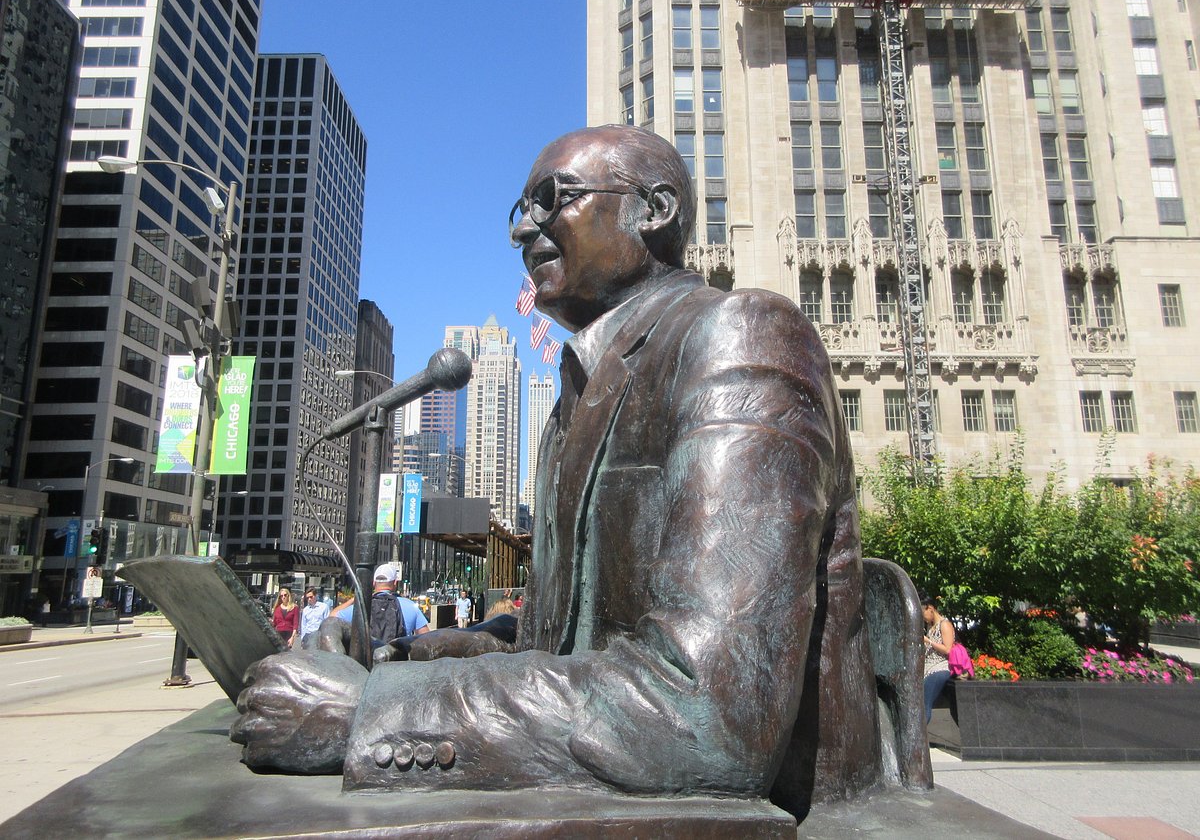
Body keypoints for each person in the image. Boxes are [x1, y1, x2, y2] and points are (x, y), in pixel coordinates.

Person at [233, 125, 881, 813]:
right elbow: (556, 644)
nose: (525, 230)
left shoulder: (739, 336)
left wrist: (374, 710)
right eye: (521, 210)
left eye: (553, 199)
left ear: (653, 211)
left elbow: (708, 713)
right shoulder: (577, 395)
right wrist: (398, 659)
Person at [329, 563, 430, 647]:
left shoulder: (362, 607)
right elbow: (426, 638)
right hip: (399, 664)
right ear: (395, 582)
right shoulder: (411, 606)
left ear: (373, 583)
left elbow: (332, 618)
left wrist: (355, 598)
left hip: (368, 664)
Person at [921, 594, 956, 724]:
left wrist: (928, 641)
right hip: (928, 668)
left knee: (925, 703)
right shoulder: (931, 626)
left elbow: (948, 649)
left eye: (922, 612)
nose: (923, 617)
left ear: (930, 608)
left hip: (939, 669)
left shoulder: (944, 624)